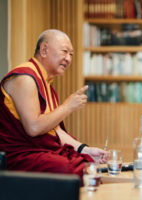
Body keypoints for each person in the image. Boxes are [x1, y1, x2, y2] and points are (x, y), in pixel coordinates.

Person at [0, 29, 109, 179]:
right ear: (44, 50)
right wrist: (67, 107)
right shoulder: (25, 78)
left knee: (84, 163)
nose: (68, 59)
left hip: (38, 152)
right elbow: (34, 127)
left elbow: (54, 130)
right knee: (69, 169)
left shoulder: (46, 85)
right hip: (18, 156)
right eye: (64, 51)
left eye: (71, 54)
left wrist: (85, 149)